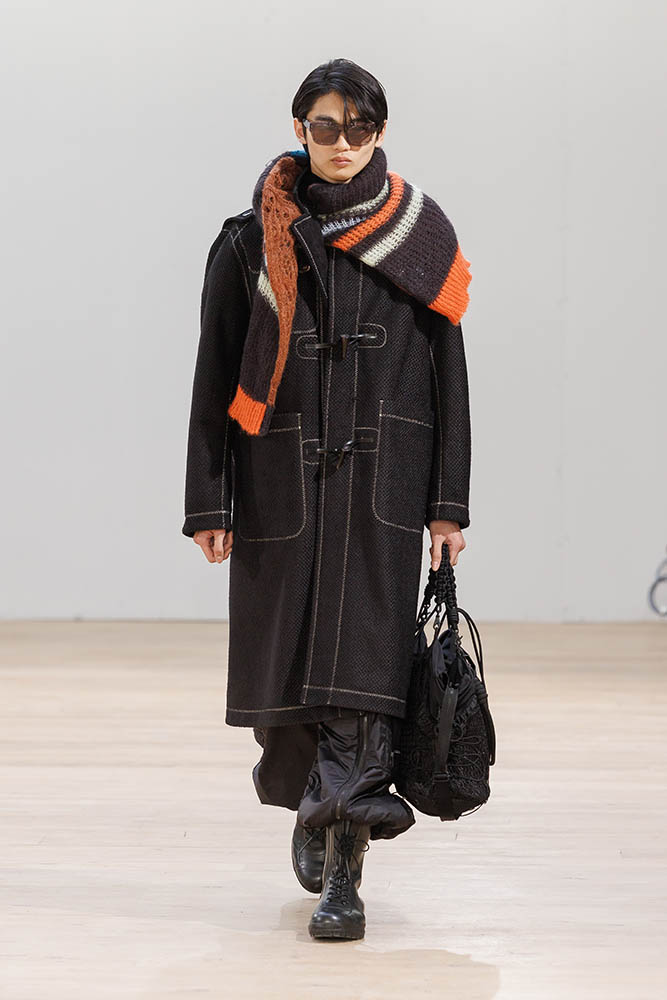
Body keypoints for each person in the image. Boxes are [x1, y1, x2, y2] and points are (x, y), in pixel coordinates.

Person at [182, 58, 472, 941]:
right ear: (299, 128)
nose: (341, 144)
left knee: (363, 685)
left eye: (358, 128)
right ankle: (312, 797)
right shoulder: (248, 241)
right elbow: (214, 373)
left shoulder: (420, 235)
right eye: (324, 127)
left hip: (383, 484)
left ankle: (344, 864)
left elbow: (448, 376)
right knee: (288, 687)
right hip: (280, 484)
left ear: (379, 132)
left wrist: (447, 503)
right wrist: (210, 501)